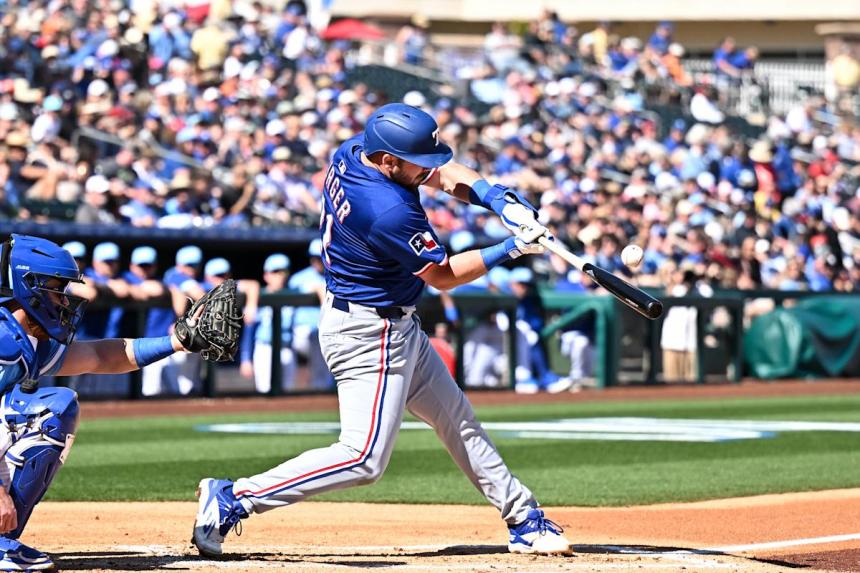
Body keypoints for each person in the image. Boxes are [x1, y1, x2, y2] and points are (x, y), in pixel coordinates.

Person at [193, 103, 572, 557]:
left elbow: (441, 171)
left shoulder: (355, 149)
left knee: (457, 420)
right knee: (363, 457)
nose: (428, 169)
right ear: (388, 161)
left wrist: (497, 198)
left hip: (392, 323)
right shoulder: (386, 210)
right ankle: (235, 498)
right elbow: (443, 275)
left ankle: (522, 518)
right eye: (416, 162)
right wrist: (511, 248)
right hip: (368, 333)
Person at [0, 233, 222, 571]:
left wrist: (177, 341)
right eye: (55, 290)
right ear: (28, 286)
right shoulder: (4, 341)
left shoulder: (21, 339)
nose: (63, 301)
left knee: (54, 406)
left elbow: (101, 357)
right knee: (48, 410)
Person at [286, 240, 330, 389]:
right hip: (302, 332)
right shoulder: (299, 278)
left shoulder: (335, 275)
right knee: (315, 337)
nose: (316, 261)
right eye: (314, 257)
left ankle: (321, 390)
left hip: (327, 331)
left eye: (319, 257)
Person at [252, 254, 296, 394]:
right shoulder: (258, 296)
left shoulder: (294, 293)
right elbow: (249, 329)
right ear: (266, 275)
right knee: (264, 391)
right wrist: (246, 358)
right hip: (264, 347)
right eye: (276, 272)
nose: (280, 275)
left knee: (288, 393)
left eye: (284, 272)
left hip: (286, 348)